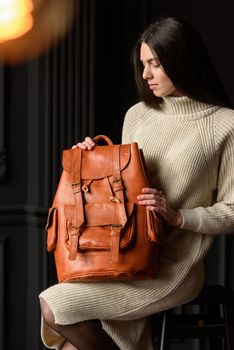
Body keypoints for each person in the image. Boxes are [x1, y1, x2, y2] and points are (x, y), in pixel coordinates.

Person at [39, 16, 234, 350]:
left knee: (55, 304)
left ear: (182, 60)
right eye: (143, 64)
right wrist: (90, 158)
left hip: (174, 269)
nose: (145, 75)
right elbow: (122, 191)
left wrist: (178, 216)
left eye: (155, 64)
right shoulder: (138, 114)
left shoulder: (224, 125)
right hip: (125, 254)